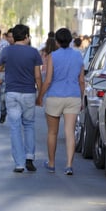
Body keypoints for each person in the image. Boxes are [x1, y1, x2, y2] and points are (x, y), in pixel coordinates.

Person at [37, 28, 84, 176]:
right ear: (70, 40)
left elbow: (49, 79)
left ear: (56, 41)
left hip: (55, 96)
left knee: (52, 132)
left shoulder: (52, 56)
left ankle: (51, 163)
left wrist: (40, 96)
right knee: (69, 132)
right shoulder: (79, 56)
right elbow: (81, 81)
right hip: (73, 96)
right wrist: (81, 98)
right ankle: (69, 165)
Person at [0, 24, 42, 173]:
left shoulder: (6, 51)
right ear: (27, 37)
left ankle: (19, 163)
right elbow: (37, 76)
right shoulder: (34, 53)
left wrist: (8, 67)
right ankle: (30, 157)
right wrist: (40, 95)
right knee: (29, 125)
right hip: (29, 92)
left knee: (15, 127)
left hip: (12, 93)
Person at [0, 28, 14, 124]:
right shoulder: (3, 47)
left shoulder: (21, 48)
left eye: (12, 37)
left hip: (15, 79)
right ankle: (3, 111)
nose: (10, 39)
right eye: (9, 36)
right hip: (4, 77)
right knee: (2, 98)